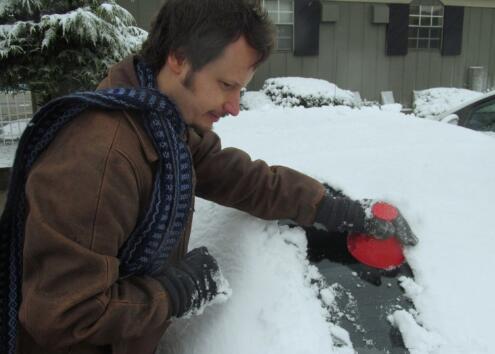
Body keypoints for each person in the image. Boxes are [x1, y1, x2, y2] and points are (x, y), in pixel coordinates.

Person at [0, 0, 418, 353]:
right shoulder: (99, 158)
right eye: (225, 85)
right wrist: (172, 293)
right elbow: (63, 314)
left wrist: (334, 208)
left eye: (241, 89)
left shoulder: (161, 125)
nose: (235, 106)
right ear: (179, 58)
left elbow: (242, 179)